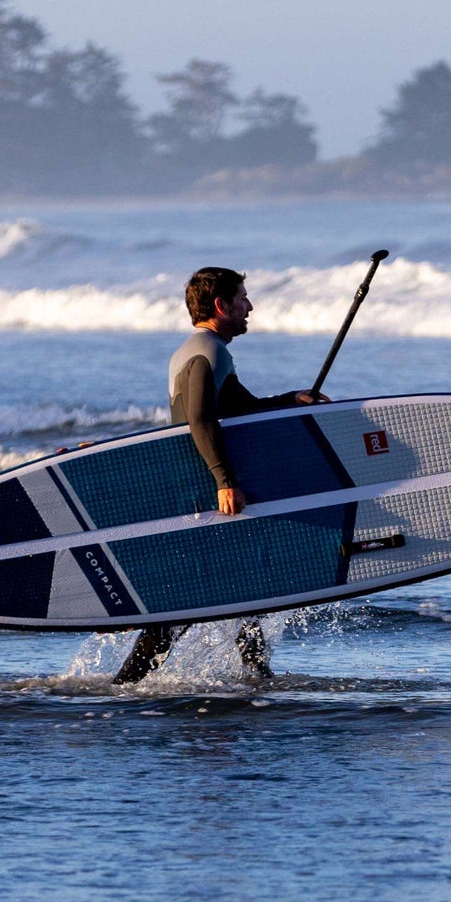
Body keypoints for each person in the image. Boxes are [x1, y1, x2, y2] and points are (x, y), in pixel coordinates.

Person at [114, 266, 326, 685]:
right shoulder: (209, 352)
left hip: (197, 490)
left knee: (237, 589)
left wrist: (292, 399)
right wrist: (224, 480)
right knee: (193, 601)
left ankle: (256, 674)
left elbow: (240, 409)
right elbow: (199, 418)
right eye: (243, 298)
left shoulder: (200, 349)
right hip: (205, 491)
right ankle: (127, 686)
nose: (249, 306)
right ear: (220, 305)